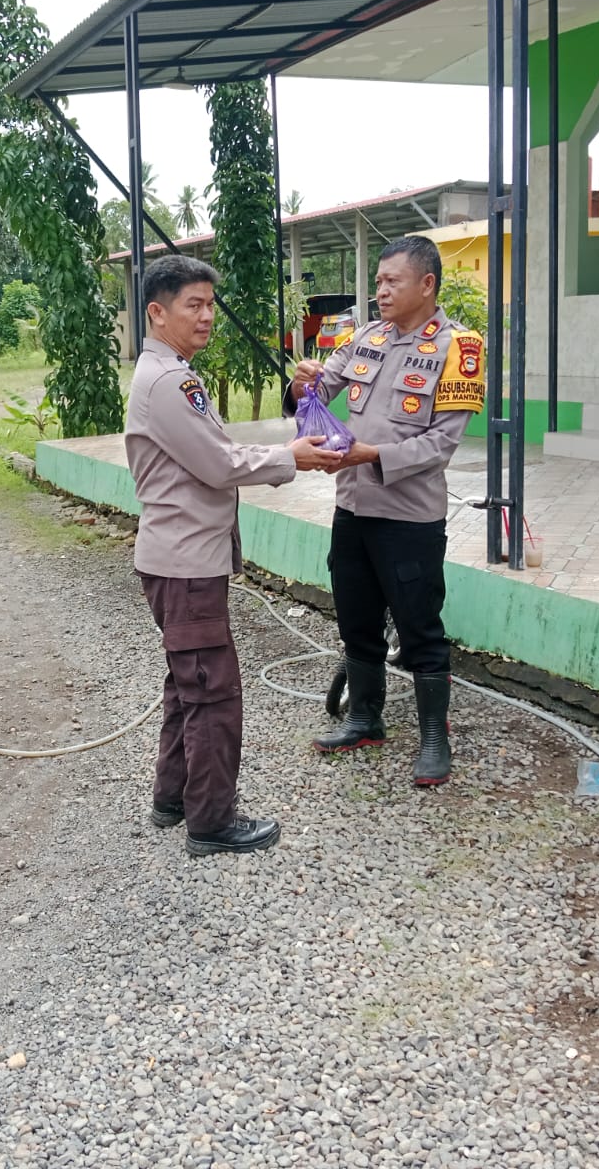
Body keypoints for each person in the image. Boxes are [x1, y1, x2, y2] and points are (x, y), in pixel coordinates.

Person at [126, 256, 345, 857]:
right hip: (187, 564)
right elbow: (220, 464)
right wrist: (291, 458)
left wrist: (284, 451)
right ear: (157, 312)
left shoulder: (166, 372)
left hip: (178, 557)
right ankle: (211, 822)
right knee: (213, 692)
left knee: (186, 683)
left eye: (208, 305)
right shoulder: (172, 381)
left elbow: (211, 451)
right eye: (192, 305)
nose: (204, 317)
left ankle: (173, 798)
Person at [290, 235, 486, 787]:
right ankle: (364, 717)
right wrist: (301, 384)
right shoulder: (365, 338)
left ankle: (433, 736)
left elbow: (440, 446)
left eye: (391, 281)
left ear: (426, 284)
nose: (380, 290)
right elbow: (318, 392)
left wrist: (371, 454)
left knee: (420, 625)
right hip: (352, 507)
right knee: (356, 618)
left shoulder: (459, 348)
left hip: (409, 519)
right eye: (377, 281)